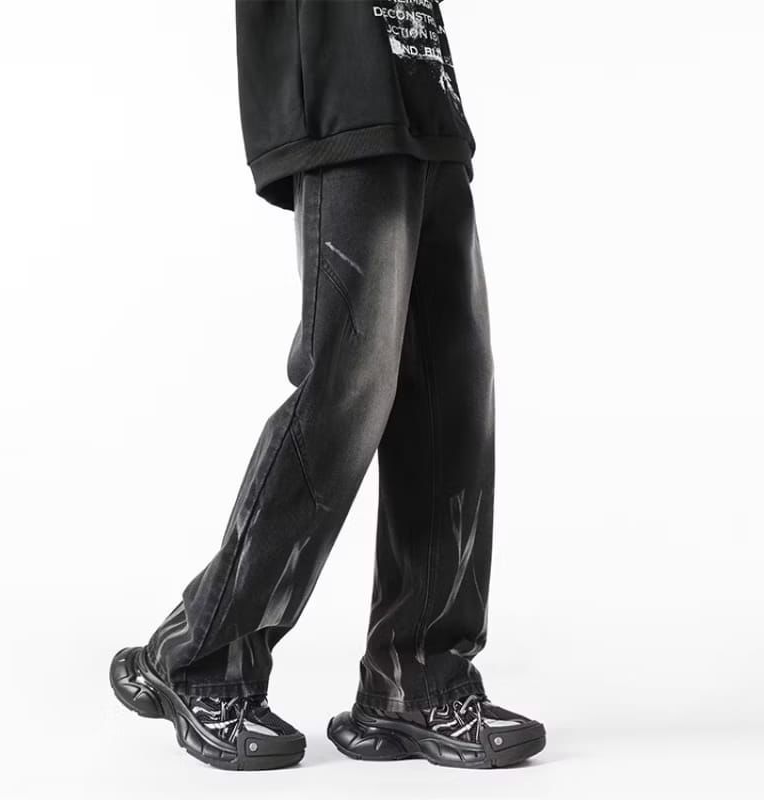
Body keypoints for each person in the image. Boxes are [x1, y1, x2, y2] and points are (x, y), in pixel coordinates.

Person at [110, 0, 545, 771]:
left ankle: (416, 680)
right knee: (349, 384)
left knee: (454, 393)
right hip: (344, 87)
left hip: (424, 94)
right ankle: (202, 658)